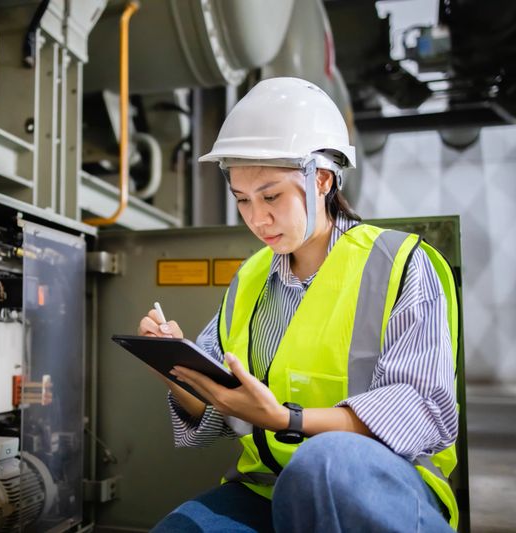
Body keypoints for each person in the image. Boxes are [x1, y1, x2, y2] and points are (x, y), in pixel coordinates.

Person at [137, 77, 460, 532]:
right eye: (242, 200)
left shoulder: (400, 265)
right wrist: (178, 372)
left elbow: (423, 408)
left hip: (376, 488)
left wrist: (284, 419)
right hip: (266, 488)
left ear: (322, 179)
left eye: (271, 196)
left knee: (323, 465)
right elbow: (213, 412)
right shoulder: (250, 279)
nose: (257, 218)